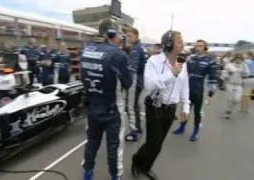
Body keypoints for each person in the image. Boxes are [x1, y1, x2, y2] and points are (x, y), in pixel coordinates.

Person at [131, 30, 189, 180]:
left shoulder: (183, 63)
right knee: (154, 143)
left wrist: (186, 107)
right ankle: (138, 161)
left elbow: (185, 87)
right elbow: (150, 85)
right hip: (155, 107)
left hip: (171, 109)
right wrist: (171, 74)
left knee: (157, 144)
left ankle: (144, 166)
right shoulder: (153, 61)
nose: (182, 44)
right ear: (169, 44)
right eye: (179, 41)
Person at [80, 19, 132, 180]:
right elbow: (128, 82)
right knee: (114, 148)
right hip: (112, 109)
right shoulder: (117, 54)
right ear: (111, 33)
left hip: (93, 107)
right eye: (119, 34)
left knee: (91, 142)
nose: (121, 38)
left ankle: (87, 173)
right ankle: (115, 176)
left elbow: (83, 78)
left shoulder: (86, 50)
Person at [173, 39, 218, 142]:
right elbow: (182, 73)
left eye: (200, 46)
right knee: (185, 109)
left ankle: (195, 131)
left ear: (205, 48)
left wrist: (211, 95)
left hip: (199, 88)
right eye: (197, 45)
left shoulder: (210, 61)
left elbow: (213, 78)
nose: (198, 47)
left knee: (197, 112)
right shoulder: (190, 58)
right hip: (187, 87)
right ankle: (182, 127)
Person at [124, 27, 149, 142]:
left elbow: (131, 69)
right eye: (127, 36)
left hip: (135, 80)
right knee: (135, 106)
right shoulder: (142, 47)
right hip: (141, 79)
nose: (128, 38)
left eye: (130, 36)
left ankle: (134, 132)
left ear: (136, 36)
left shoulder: (136, 49)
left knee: (131, 106)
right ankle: (138, 128)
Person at [224, 54, 248, 119]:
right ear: (235, 58)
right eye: (237, 58)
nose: (238, 59)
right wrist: (227, 75)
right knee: (229, 99)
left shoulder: (244, 66)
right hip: (230, 84)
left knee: (237, 100)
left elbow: (246, 74)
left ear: (242, 59)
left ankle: (230, 109)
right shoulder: (229, 65)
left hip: (238, 85)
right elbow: (224, 74)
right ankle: (228, 111)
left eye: (240, 58)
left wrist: (243, 69)